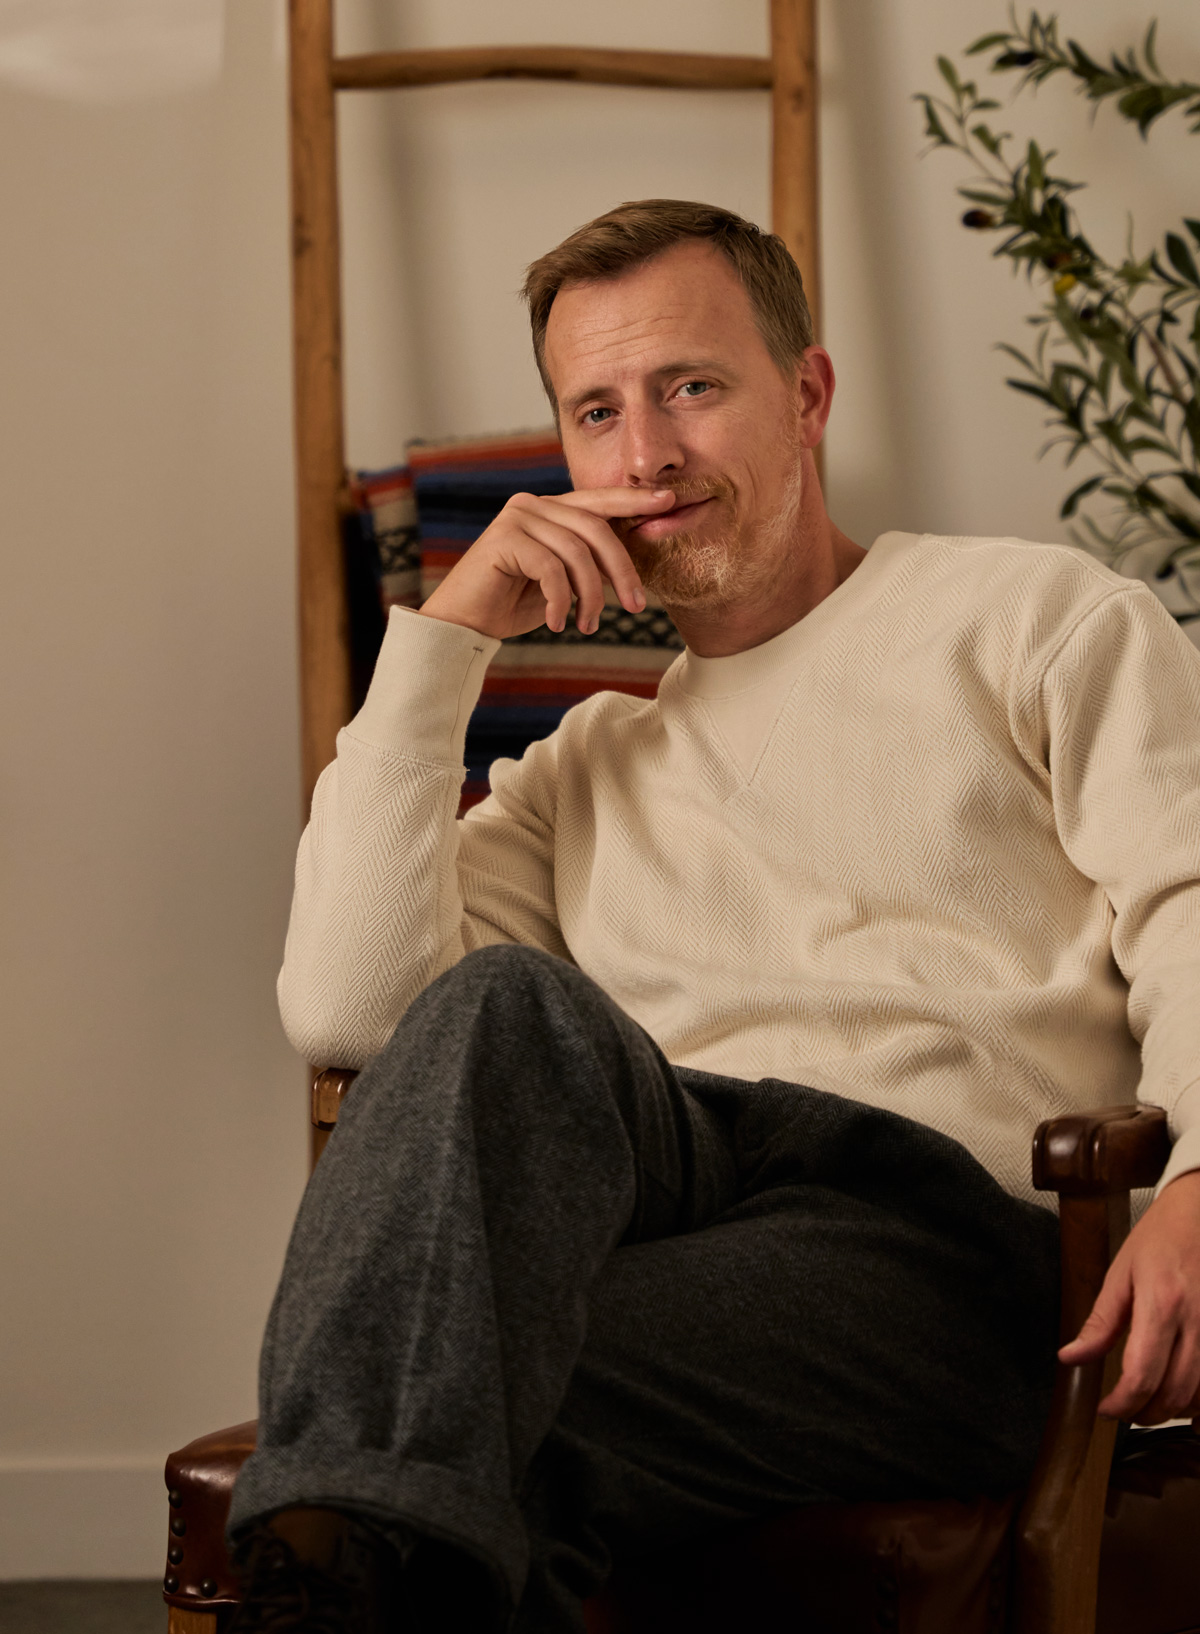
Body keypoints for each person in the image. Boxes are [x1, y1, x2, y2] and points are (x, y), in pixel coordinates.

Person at [227, 200, 1200, 1633]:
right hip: (699, 1214)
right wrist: (445, 639)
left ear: (805, 396)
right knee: (492, 1033)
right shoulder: (578, 777)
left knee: (442, 1409)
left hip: (951, 1245)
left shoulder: (1037, 621)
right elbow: (350, 1007)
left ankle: (303, 1580)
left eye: (691, 386)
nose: (647, 455)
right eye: (597, 412)